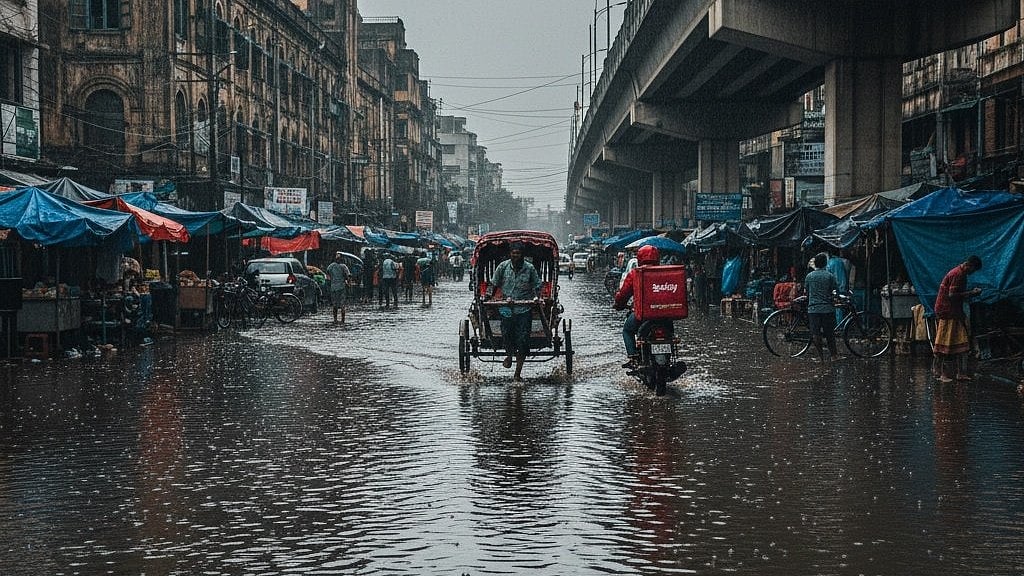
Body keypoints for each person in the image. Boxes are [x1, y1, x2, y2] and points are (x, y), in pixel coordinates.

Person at [484, 242, 541, 381]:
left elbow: (537, 286)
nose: (515, 256)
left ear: (522, 255)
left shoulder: (529, 268)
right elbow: (493, 284)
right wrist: (486, 298)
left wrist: (536, 298)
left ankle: (517, 373)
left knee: (522, 340)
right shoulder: (503, 267)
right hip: (506, 308)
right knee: (507, 335)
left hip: (524, 307)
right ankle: (509, 356)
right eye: (513, 253)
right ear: (510, 254)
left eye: (518, 253)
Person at [933, 255, 983, 382]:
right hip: (948, 311)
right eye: (973, 270)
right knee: (946, 343)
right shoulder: (958, 275)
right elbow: (952, 295)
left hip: (952, 311)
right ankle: (942, 373)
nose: (972, 273)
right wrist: (972, 293)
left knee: (960, 343)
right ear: (969, 265)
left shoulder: (959, 273)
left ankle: (958, 373)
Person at [612, 244, 660, 367]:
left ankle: (633, 358)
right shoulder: (665, 272)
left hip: (642, 314)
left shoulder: (635, 273)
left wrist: (619, 304)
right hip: (664, 316)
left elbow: (623, 294)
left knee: (627, 331)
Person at [805, 252, 839, 361]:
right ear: (825, 263)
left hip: (813, 309)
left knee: (816, 333)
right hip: (827, 309)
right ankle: (834, 356)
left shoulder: (809, 276)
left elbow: (807, 291)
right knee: (829, 333)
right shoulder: (829, 276)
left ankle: (820, 357)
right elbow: (834, 290)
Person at [325, 252, 351, 324]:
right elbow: (348, 276)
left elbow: (327, 275)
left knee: (335, 304)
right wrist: (348, 283)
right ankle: (342, 320)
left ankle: (335, 319)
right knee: (342, 304)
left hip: (333, 287)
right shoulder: (344, 266)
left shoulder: (331, 266)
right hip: (342, 287)